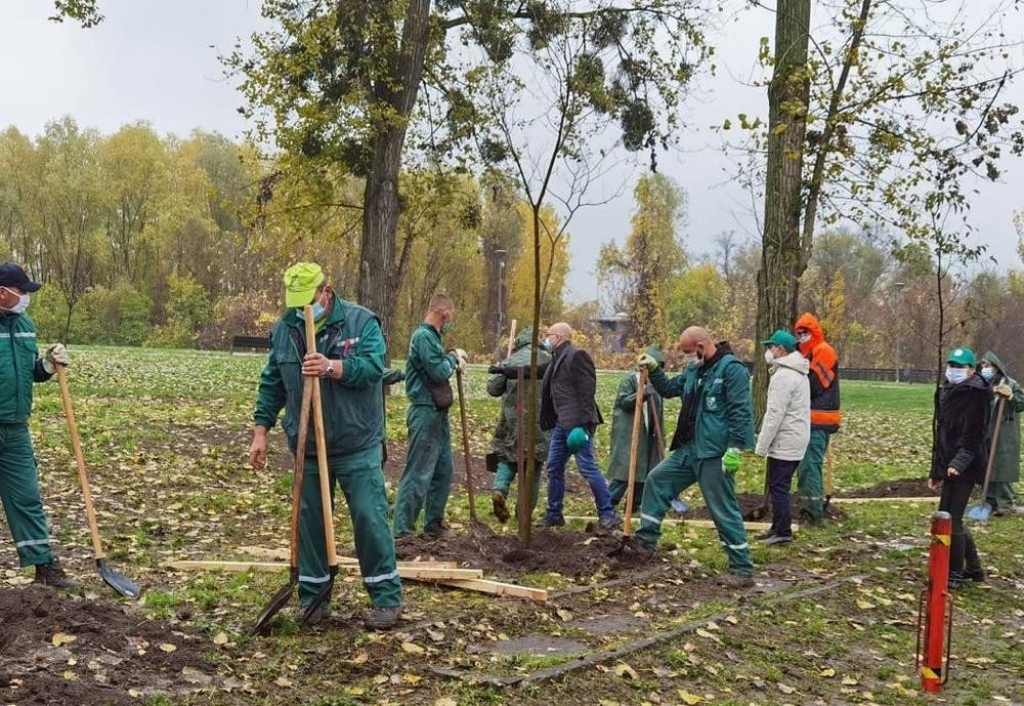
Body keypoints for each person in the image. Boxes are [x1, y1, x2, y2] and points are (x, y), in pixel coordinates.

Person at [250, 262, 402, 629]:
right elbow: (273, 381)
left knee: (369, 517)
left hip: (357, 442)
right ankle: (314, 597)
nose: (302, 310)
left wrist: (334, 367)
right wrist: (261, 430)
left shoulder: (361, 322)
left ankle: (386, 597)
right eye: (296, 303)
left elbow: (372, 368)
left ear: (326, 292)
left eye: (308, 302)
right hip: (309, 446)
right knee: (311, 523)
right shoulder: (286, 329)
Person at [630, 327, 756, 588]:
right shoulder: (694, 370)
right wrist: (654, 369)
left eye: (687, 352)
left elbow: (741, 412)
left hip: (715, 453)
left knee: (722, 508)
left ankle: (741, 568)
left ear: (701, 345)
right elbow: (669, 388)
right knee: (657, 480)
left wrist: (735, 448)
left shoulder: (732, 370)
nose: (685, 358)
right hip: (689, 449)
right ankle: (645, 541)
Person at [0, 263, 77, 589]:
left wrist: (46, 365)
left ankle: (44, 567)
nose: (26, 298)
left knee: (27, 498)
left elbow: (27, 372)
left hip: (16, 428)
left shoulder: (26, 325)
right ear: (3, 292)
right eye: (22, 291)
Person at [392, 294, 468, 539]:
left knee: (443, 470)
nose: (450, 321)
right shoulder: (423, 337)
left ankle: (433, 524)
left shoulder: (433, 338)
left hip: (437, 413)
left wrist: (450, 357)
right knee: (419, 471)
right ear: (444, 314)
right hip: (424, 411)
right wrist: (453, 358)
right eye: (450, 317)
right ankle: (403, 530)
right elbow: (437, 372)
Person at [536, 323, 621, 530]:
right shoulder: (555, 359)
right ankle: (554, 513)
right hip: (561, 423)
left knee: (587, 468)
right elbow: (536, 371)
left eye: (549, 336)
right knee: (554, 466)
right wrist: (505, 368)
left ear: (558, 337)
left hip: (576, 425)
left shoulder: (577, 356)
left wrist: (584, 425)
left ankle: (608, 513)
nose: (546, 339)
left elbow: (587, 392)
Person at [928, 346, 989, 588]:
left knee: (952, 519)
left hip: (968, 462)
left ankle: (953, 573)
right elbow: (940, 434)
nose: (953, 370)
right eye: (951, 365)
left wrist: (958, 463)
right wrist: (937, 470)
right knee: (951, 515)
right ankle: (974, 568)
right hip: (950, 461)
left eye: (960, 366)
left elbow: (974, 434)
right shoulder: (946, 391)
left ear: (972, 370)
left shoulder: (976, 394)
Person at [486, 327, 551, 523]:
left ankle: (499, 489)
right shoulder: (547, 360)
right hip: (539, 425)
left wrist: (505, 367)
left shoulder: (510, 360)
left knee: (507, 458)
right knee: (533, 466)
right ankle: (522, 513)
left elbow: (493, 389)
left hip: (511, 421)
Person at [753, 330, 810, 545]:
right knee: (779, 484)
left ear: (781, 350)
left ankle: (783, 531)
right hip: (795, 437)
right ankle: (776, 527)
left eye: (771, 347)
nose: (769, 351)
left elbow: (774, 414)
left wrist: (761, 445)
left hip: (786, 439)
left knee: (778, 486)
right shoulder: (798, 373)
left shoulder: (783, 376)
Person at [793, 313, 841, 524]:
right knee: (805, 465)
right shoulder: (804, 353)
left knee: (810, 465)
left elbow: (813, 385)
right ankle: (808, 508)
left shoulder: (824, 352)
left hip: (820, 419)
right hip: (807, 418)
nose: (802, 336)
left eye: (805, 332)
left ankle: (813, 512)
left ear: (814, 332)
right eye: (799, 333)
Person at [607, 346, 665, 514]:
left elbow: (658, 411)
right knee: (625, 473)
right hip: (629, 434)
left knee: (646, 472)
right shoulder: (631, 380)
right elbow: (624, 401)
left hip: (649, 435)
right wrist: (642, 394)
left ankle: (634, 505)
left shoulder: (657, 385)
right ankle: (609, 502)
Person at [979, 352, 1023, 515]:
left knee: (1002, 465)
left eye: (987, 366)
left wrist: (1011, 396)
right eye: (982, 366)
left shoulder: (1010, 383)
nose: (984, 369)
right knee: (986, 463)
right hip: (986, 429)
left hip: (1005, 431)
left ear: (996, 367)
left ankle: (1005, 502)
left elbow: (1021, 404)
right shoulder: (983, 384)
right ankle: (989, 500)